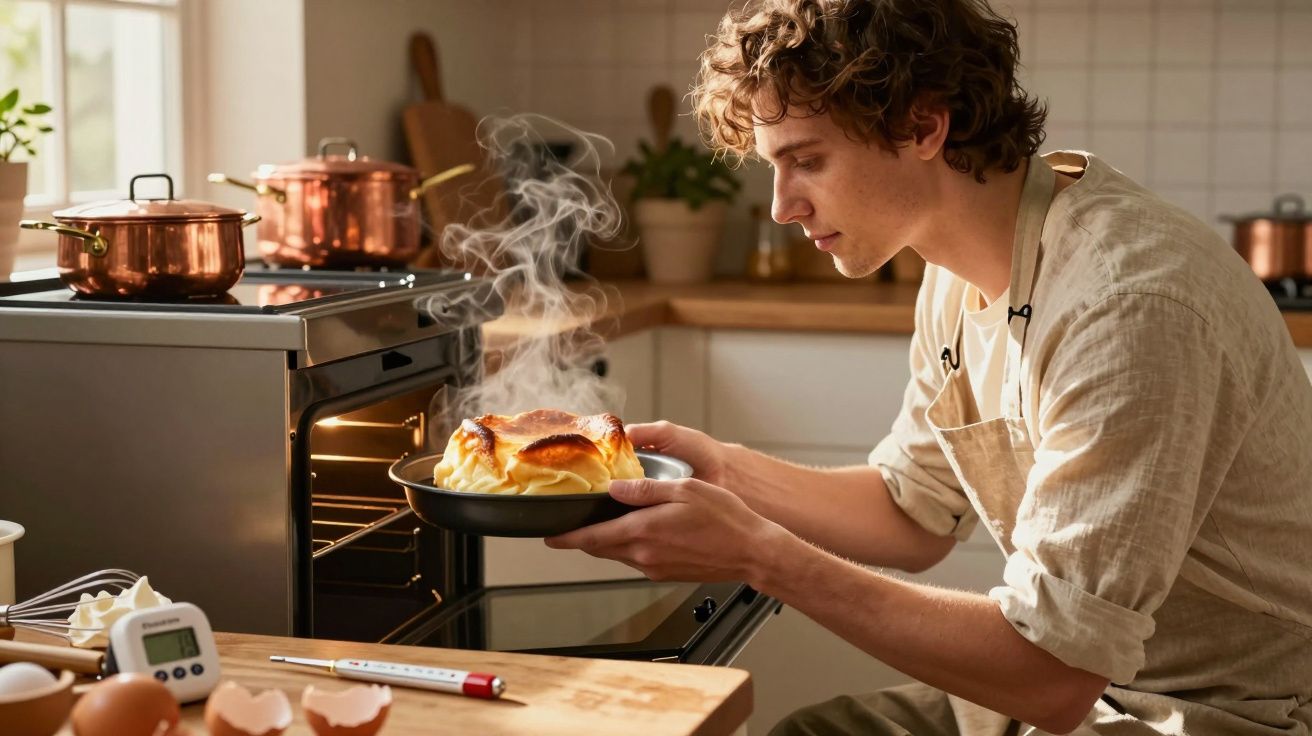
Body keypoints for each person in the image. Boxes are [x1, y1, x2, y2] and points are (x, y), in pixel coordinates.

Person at [546, 0, 1312, 733]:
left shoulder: (1128, 302)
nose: (782, 206)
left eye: (806, 161)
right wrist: (723, 471)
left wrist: (758, 553)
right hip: (1095, 690)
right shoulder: (956, 267)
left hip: (1223, 713)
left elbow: (1050, 674)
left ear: (923, 125)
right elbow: (912, 514)